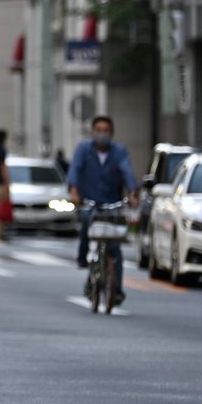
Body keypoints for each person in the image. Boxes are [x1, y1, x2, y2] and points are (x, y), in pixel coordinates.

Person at [67, 116, 139, 306]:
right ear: (92, 131)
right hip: (90, 201)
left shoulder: (119, 151)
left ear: (111, 133)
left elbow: (127, 172)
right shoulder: (84, 149)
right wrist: (74, 192)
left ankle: (116, 289)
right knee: (86, 224)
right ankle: (83, 258)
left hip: (112, 202)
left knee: (115, 248)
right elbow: (75, 170)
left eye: (106, 130)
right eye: (98, 129)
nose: (102, 134)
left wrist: (132, 193)